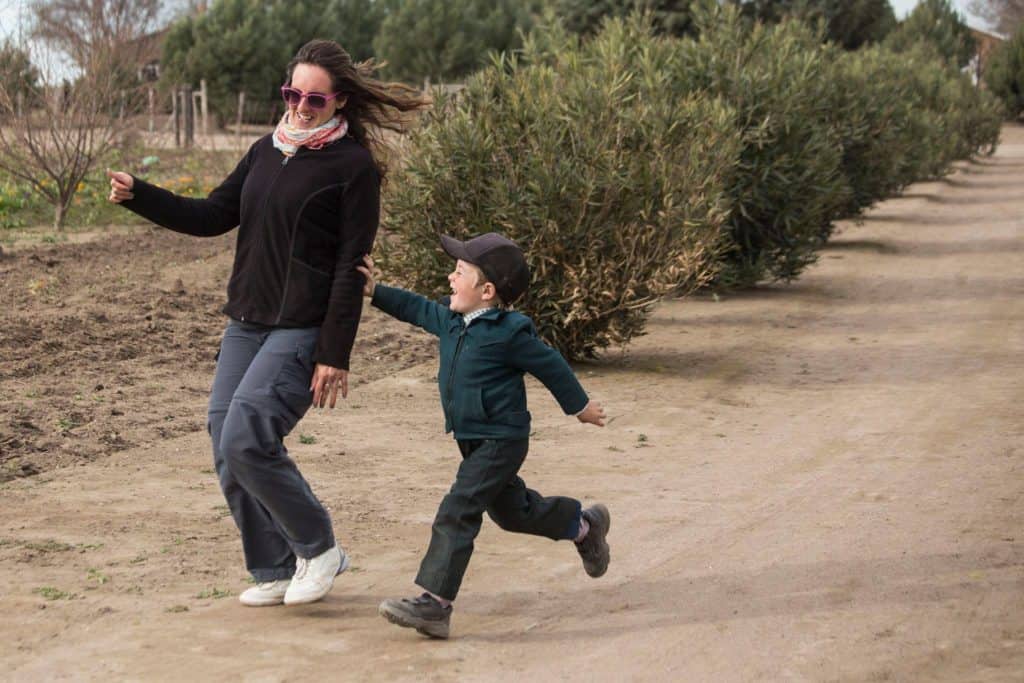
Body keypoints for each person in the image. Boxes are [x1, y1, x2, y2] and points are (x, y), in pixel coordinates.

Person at [107, 39, 428, 607]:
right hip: (247, 322)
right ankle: (274, 567)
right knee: (223, 437)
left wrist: (335, 353)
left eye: (315, 99)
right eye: (293, 94)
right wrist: (141, 195)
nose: (302, 106)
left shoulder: (353, 167)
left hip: (303, 328)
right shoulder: (264, 150)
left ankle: (320, 547)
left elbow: (353, 269)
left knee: (248, 436)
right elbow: (210, 216)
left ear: (339, 103)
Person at [356, 233, 610, 639]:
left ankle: (435, 605)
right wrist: (374, 292)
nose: (450, 277)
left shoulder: (509, 332)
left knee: (459, 507)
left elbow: (551, 365)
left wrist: (579, 407)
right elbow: (414, 307)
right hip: (473, 438)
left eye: (460, 272)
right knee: (512, 513)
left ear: (487, 291)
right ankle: (583, 526)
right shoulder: (451, 320)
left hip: (501, 439)